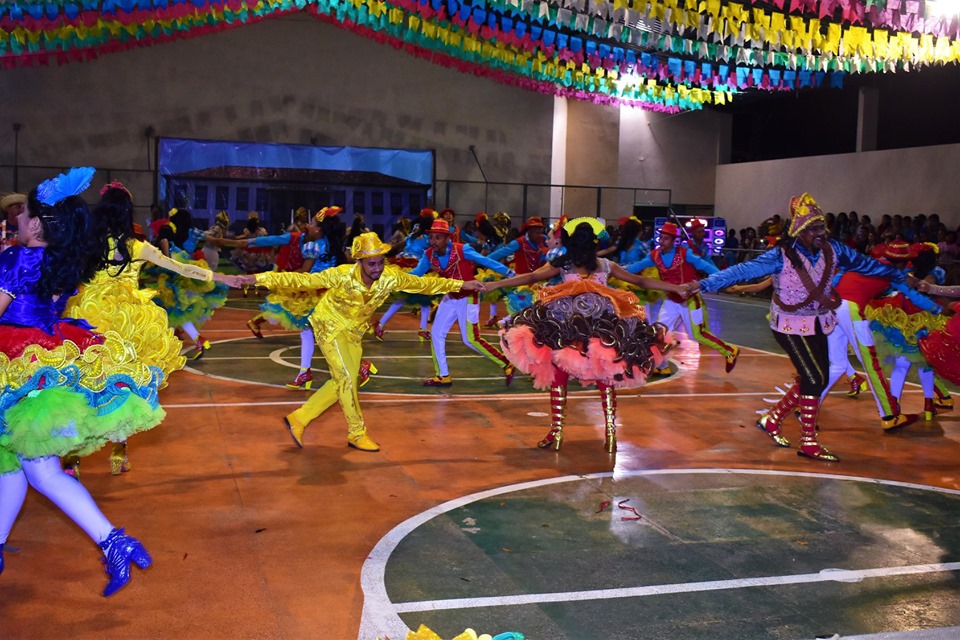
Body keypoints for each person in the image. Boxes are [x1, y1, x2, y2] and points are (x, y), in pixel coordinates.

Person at [0, 168, 157, 596]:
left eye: (24, 211)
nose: (16, 216)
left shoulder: (15, 259)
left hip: (13, 362)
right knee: (13, 465)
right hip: (46, 357)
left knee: (42, 472)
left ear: (35, 222)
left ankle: (113, 542)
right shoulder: (60, 260)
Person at [690, 193, 918, 462]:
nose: (820, 233)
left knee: (815, 376)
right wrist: (703, 284)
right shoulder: (780, 255)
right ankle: (808, 441)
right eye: (813, 229)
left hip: (820, 321)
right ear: (799, 231)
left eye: (822, 227)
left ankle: (773, 420)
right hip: (788, 325)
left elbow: (867, 265)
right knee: (815, 378)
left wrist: (901, 277)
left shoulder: (836, 250)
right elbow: (741, 271)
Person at [223, 232, 484, 452]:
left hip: (355, 331)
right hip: (330, 326)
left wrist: (463, 284)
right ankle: (356, 433)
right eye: (371, 264)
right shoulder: (341, 275)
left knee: (342, 380)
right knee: (347, 377)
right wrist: (256, 278)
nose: (377, 268)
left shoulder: (390, 276)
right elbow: (301, 280)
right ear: (359, 262)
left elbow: (423, 284)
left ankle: (299, 418)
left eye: (380, 262)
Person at [62, 181, 228, 476]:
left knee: (82, 383)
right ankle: (118, 452)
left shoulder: (87, 243)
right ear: (127, 214)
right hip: (129, 324)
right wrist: (218, 276)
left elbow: (62, 270)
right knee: (123, 386)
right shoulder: (137, 246)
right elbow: (179, 267)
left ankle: (73, 459)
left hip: (87, 318)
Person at [486, 217, 684, 451]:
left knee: (558, 375)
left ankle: (556, 433)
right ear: (593, 243)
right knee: (606, 376)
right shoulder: (605, 265)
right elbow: (641, 280)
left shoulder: (564, 264)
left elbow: (530, 277)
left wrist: (494, 285)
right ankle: (610, 435)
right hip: (605, 328)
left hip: (564, 326)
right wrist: (676, 287)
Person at [240, 207, 359, 390]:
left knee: (326, 336)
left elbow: (305, 272)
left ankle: (360, 366)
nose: (308, 226)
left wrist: (283, 280)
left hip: (314, 293)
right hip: (330, 293)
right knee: (311, 333)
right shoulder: (333, 244)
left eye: (311, 224)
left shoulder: (314, 246)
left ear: (319, 229)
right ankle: (304, 373)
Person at [410, 219, 516, 387]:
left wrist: (510, 274)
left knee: (470, 339)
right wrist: (394, 279)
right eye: (431, 238)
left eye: (438, 238)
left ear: (447, 238)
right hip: (450, 297)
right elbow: (416, 273)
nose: (433, 242)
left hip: (468, 297)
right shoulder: (429, 255)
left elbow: (486, 261)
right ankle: (443, 375)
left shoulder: (462, 250)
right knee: (436, 334)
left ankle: (506, 362)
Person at [625, 221, 740, 373]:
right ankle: (662, 366)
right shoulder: (655, 255)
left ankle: (729, 350)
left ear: (674, 241)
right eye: (661, 238)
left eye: (666, 239)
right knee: (659, 332)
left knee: (697, 334)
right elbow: (636, 267)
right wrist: (616, 269)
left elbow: (705, 265)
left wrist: (723, 278)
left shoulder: (685, 254)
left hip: (690, 299)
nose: (662, 241)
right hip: (671, 300)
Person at [149, 208, 229, 359]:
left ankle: (195, 341)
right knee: (175, 313)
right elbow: (205, 240)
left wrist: (166, 260)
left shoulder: (168, 229)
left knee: (172, 312)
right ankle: (187, 342)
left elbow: (163, 240)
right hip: (184, 272)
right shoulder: (191, 232)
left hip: (172, 275)